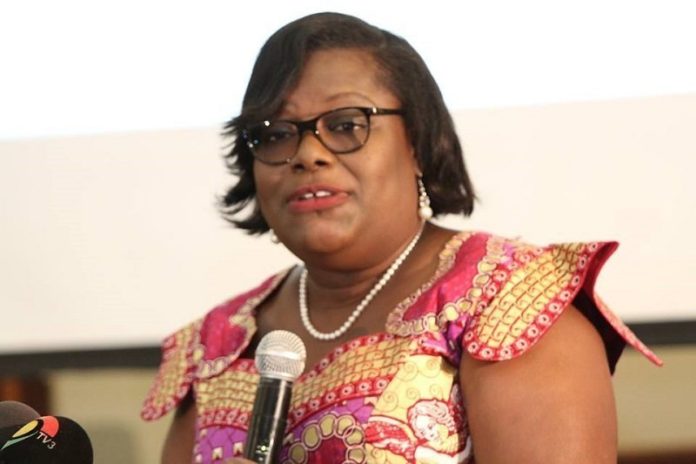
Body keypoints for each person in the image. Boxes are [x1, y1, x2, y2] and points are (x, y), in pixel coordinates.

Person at [141, 12, 661, 464]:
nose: (307, 154)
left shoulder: (508, 302)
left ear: (418, 142)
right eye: (275, 134)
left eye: (346, 125)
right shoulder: (217, 344)